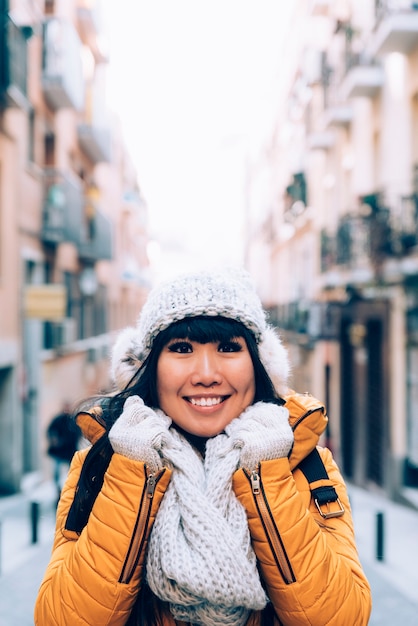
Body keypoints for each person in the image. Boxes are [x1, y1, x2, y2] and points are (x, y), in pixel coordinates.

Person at [35, 269, 372, 626]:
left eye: (228, 348)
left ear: (260, 366)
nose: (206, 373)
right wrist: (134, 470)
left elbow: (342, 617)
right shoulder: (101, 464)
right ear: (150, 367)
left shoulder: (308, 466)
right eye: (182, 348)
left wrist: (265, 472)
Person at [46, 401, 81, 499]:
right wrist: (54, 440)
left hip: (70, 451)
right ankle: (58, 489)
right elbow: (50, 431)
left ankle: (70, 489)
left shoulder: (73, 420)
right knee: (56, 472)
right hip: (59, 451)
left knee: (72, 472)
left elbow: (78, 433)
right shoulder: (58, 419)